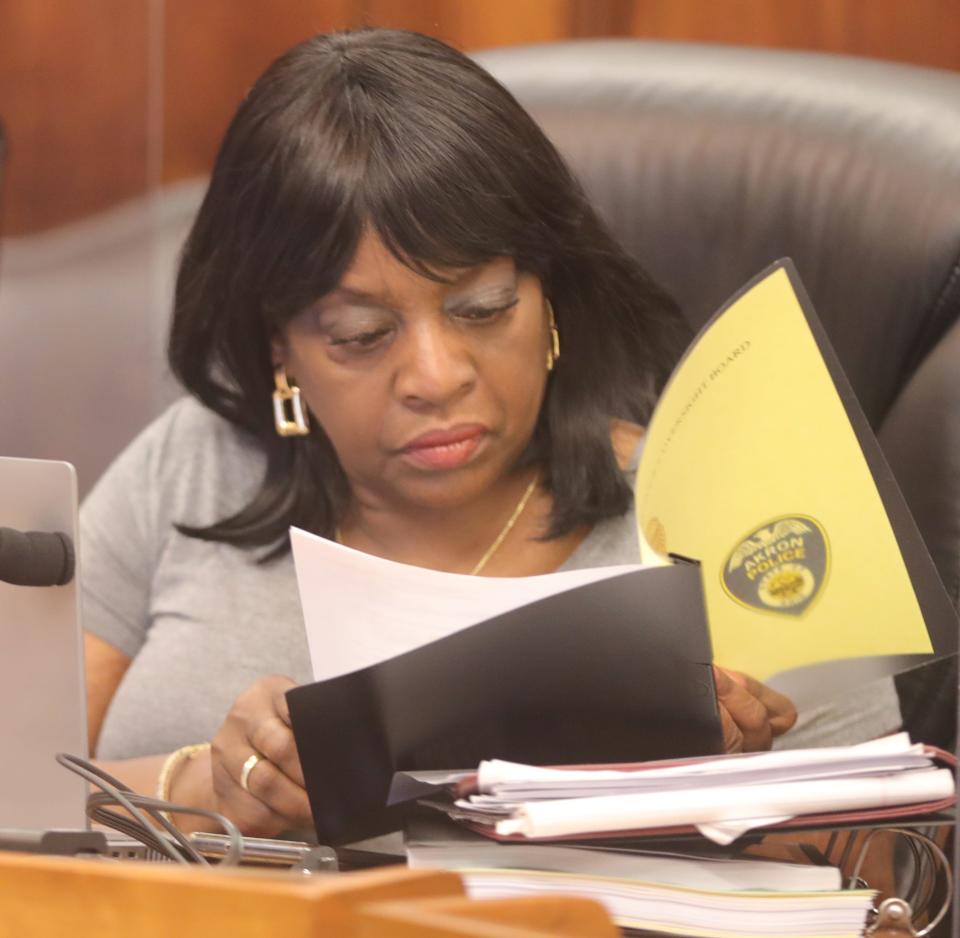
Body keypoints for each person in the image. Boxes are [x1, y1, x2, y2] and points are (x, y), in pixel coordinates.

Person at [83, 27, 899, 840]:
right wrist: (201, 790)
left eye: (483, 308)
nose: (437, 377)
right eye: (363, 334)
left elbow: (886, 895)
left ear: (548, 295)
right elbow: (19, 788)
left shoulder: (737, 520)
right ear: (278, 346)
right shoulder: (190, 465)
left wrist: (724, 805)